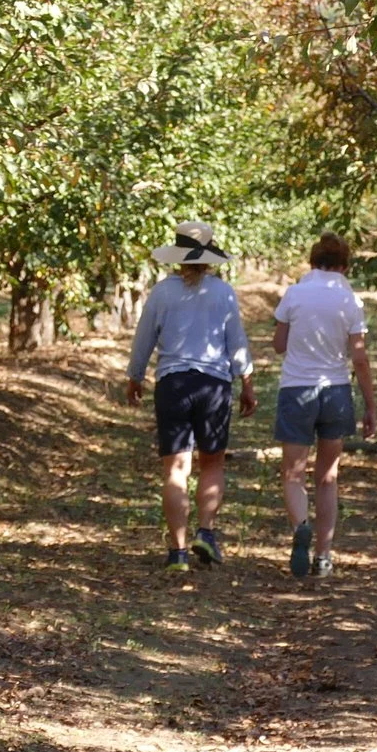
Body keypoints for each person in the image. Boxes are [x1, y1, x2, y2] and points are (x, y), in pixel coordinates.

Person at [126, 220, 254, 573]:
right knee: (212, 462)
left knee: (175, 469)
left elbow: (144, 337)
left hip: (173, 384)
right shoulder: (222, 293)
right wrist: (247, 381)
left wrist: (135, 376)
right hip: (213, 385)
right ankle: (206, 532)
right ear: (209, 257)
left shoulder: (162, 292)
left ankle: (178, 551)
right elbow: (236, 341)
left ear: (178, 256)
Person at [270, 233, 376, 579]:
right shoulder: (349, 300)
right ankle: (324, 556)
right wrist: (370, 406)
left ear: (312, 262)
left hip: (297, 389)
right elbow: (359, 358)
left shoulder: (295, 293)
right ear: (344, 265)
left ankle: (301, 525)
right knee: (328, 478)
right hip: (335, 392)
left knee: (293, 474)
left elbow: (279, 345)